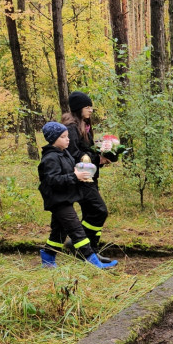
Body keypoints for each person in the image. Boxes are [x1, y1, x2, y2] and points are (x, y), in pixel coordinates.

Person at [37, 121, 117, 269]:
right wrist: (75, 177)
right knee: (76, 230)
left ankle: (48, 260)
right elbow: (52, 180)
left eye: (67, 136)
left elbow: (74, 167)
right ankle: (93, 262)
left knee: (58, 232)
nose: (68, 139)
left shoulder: (64, 153)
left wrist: (96, 161)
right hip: (57, 200)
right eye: (63, 137)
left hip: (65, 198)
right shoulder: (50, 158)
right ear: (53, 139)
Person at [63, 91, 117, 263]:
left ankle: (88, 251)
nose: (91, 110)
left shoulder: (84, 126)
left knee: (90, 213)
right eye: (87, 107)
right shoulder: (71, 128)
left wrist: (103, 152)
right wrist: (96, 158)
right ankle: (83, 246)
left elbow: (85, 150)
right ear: (78, 108)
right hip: (80, 178)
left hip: (90, 175)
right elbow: (73, 154)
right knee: (99, 211)